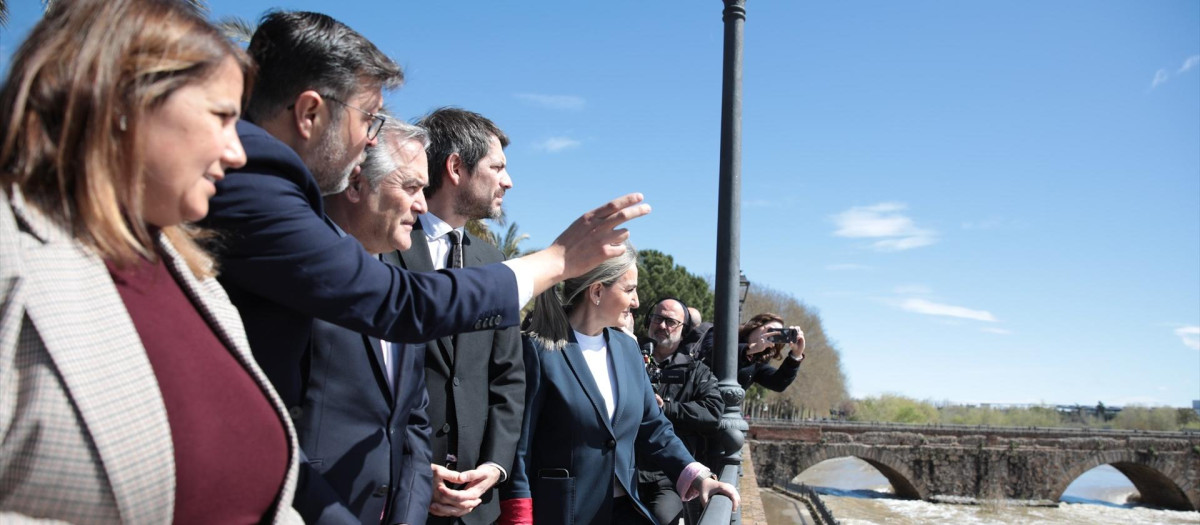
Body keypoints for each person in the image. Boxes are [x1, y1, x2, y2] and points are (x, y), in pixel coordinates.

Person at [198, 11, 647, 418]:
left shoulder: (266, 181)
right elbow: (398, 302)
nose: (373, 141)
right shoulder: (251, 177)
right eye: (369, 118)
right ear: (310, 112)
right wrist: (557, 261)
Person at [0, 0, 301, 522]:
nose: (237, 152)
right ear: (121, 100)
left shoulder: (197, 282)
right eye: (221, 117)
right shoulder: (14, 256)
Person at [501, 243, 738, 524]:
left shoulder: (628, 349)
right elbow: (519, 449)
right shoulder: (538, 351)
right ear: (597, 292)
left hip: (626, 512)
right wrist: (518, 518)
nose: (637, 301)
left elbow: (654, 427)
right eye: (629, 290)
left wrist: (698, 476)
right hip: (560, 513)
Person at [296, 120, 435, 524]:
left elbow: (412, 425)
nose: (423, 205)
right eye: (410, 187)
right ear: (356, 184)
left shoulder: (405, 288)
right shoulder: (299, 271)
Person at [389, 108, 522, 525]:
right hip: (398, 494)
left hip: (476, 504)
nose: (508, 181)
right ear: (456, 168)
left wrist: (494, 467)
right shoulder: (384, 246)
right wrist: (410, 468)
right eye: (497, 167)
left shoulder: (493, 262)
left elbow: (508, 377)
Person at [637, 298, 724, 525]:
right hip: (625, 470)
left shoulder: (697, 371)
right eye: (658, 318)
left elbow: (713, 413)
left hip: (669, 475)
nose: (662, 325)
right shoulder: (629, 358)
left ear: (683, 330)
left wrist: (666, 408)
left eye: (671, 321)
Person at [700, 312, 807, 392]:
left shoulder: (758, 362)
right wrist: (750, 348)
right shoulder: (722, 332)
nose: (772, 335)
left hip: (723, 413)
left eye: (777, 335)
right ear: (757, 324)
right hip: (695, 401)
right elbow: (710, 352)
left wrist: (796, 355)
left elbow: (778, 383)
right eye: (770, 330)